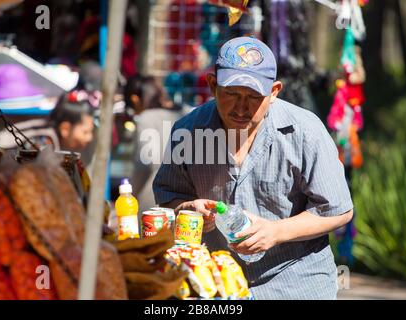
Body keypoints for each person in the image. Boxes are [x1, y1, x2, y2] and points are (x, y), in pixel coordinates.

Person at [152, 37, 354, 300]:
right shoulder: (187, 132)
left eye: (253, 97)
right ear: (213, 85)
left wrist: (276, 232)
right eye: (232, 94)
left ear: (274, 92)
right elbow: (168, 198)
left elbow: (338, 210)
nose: (241, 107)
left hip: (297, 283)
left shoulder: (306, 131)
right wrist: (187, 209)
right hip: (218, 284)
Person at [127, 75, 189, 211]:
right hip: (188, 206)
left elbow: (144, 165)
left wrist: (129, 195)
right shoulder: (188, 112)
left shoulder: (146, 119)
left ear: (135, 100)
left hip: (154, 204)